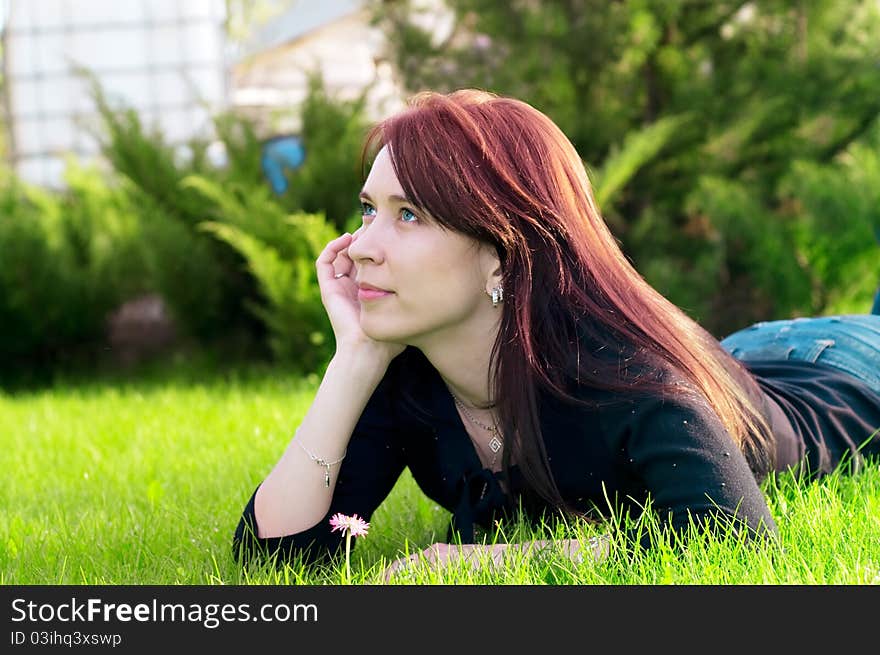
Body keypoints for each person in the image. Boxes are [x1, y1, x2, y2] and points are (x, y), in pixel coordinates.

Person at [232, 89, 880, 576]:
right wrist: (354, 359)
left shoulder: (619, 371)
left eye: (408, 215)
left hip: (845, 366)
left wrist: (469, 561)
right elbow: (278, 557)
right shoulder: (409, 369)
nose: (362, 246)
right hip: (746, 355)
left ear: (501, 253)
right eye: (369, 210)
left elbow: (731, 540)